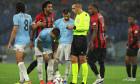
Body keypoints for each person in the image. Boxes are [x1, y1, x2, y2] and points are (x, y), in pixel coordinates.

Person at [7, 1, 44, 84]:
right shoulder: (29, 16)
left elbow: (15, 29)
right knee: (20, 62)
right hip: (27, 42)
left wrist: (9, 42)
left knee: (19, 62)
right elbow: (33, 27)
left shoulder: (16, 16)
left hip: (19, 42)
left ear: (16, 8)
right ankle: (21, 81)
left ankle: (27, 80)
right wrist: (38, 24)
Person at [27, 1, 54, 83]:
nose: (51, 8)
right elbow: (33, 29)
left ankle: (47, 81)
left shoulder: (52, 15)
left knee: (47, 62)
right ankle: (25, 75)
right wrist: (31, 40)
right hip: (39, 43)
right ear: (44, 8)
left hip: (48, 43)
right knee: (38, 62)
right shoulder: (39, 16)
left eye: (51, 6)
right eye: (49, 7)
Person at [67, 2, 90, 84]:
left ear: (78, 7)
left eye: (73, 8)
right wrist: (72, 28)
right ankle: (74, 81)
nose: (72, 10)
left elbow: (86, 27)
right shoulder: (77, 16)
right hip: (75, 38)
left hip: (82, 39)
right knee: (73, 59)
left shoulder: (85, 15)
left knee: (82, 60)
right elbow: (76, 28)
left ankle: (84, 81)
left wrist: (73, 27)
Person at [53, 8, 74, 84]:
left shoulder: (73, 23)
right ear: (63, 15)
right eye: (65, 16)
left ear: (70, 14)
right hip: (60, 44)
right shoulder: (58, 22)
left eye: (67, 16)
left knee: (68, 62)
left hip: (69, 44)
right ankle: (57, 75)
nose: (66, 17)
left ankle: (65, 80)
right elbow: (53, 30)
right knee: (55, 61)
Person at [87, 4, 106, 84]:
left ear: (95, 9)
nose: (89, 11)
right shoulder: (101, 16)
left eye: (91, 9)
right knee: (101, 62)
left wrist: (91, 42)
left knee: (90, 60)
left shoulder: (94, 17)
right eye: (89, 9)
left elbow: (95, 30)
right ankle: (102, 80)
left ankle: (98, 78)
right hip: (103, 41)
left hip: (97, 42)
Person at [123, 15, 139, 82]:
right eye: (128, 19)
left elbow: (135, 39)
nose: (129, 20)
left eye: (131, 19)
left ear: (134, 20)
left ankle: (134, 78)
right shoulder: (130, 27)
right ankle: (129, 77)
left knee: (134, 62)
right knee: (127, 61)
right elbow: (130, 38)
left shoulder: (136, 28)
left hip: (134, 47)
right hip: (130, 47)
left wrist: (129, 46)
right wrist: (127, 45)